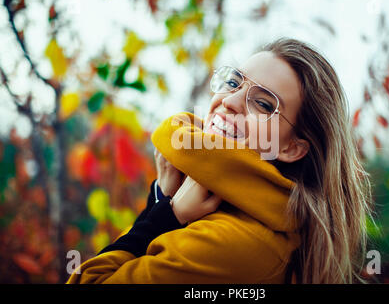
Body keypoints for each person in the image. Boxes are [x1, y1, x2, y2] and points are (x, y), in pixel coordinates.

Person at [67, 38, 372, 284]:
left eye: (263, 103)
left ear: (292, 148)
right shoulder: (243, 208)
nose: (230, 101)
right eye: (233, 83)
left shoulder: (234, 242)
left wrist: (166, 213)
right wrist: (164, 196)